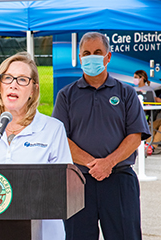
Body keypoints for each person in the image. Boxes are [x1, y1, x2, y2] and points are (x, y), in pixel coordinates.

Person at [0, 52, 73, 240]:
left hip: (43, 231)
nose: (13, 84)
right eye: (8, 78)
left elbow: (63, 184)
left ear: (33, 90)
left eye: (22, 80)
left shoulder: (52, 129)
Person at [52, 32, 151, 240]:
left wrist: (108, 163)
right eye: (86, 53)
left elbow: (135, 136)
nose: (91, 57)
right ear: (80, 58)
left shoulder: (126, 94)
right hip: (78, 181)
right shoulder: (66, 95)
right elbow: (60, 139)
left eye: (97, 52)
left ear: (108, 57)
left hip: (119, 181)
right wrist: (93, 164)